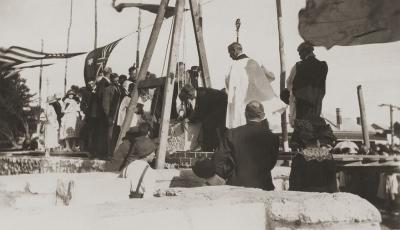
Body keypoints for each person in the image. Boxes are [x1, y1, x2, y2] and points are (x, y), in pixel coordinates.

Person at [213, 101, 279, 190]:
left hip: (236, 186)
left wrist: (229, 173)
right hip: (264, 186)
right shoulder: (272, 137)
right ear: (262, 116)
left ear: (245, 115)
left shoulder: (232, 134)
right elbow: (271, 163)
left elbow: (218, 161)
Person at [224, 42, 285, 130]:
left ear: (234, 51)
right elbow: (271, 77)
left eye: (230, 53)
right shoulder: (256, 61)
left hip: (242, 104)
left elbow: (228, 87)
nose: (230, 56)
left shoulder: (232, 67)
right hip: (258, 103)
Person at [105, 122, 156, 198]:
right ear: (147, 133)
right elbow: (130, 161)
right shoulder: (135, 144)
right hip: (117, 175)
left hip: (117, 172)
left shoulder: (132, 141)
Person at [284, 41, 328, 126]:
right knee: (314, 128)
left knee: (303, 132)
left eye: (300, 53)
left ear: (305, 52)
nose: (299, 56)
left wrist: (290, 95)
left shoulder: (299, 66)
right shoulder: (323, 65)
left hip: (302, 108)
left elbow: (289, 83)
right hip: (316, 106)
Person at [178, 84, 227, 151]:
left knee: (208, 125)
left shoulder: (203, 95)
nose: (189, 100)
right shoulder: (198, 91)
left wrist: (188, 119)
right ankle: (209, 147)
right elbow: (198, 109)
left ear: (190, 94)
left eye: (188, 98)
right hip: (216, 107)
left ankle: (210, 148)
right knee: (207, 124)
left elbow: (200, 113)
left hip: (223, 107)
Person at [103, 73, 122, 158]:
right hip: (112, 115)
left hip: (118, 115)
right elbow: (105, 104)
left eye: (118, 80)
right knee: (110, 135)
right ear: (111, 80)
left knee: (116, 134)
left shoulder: (119, 89)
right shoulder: (107, 89)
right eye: (115, 80)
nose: (117, 82)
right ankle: (109, 153)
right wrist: (109, 116)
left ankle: (114, 152)